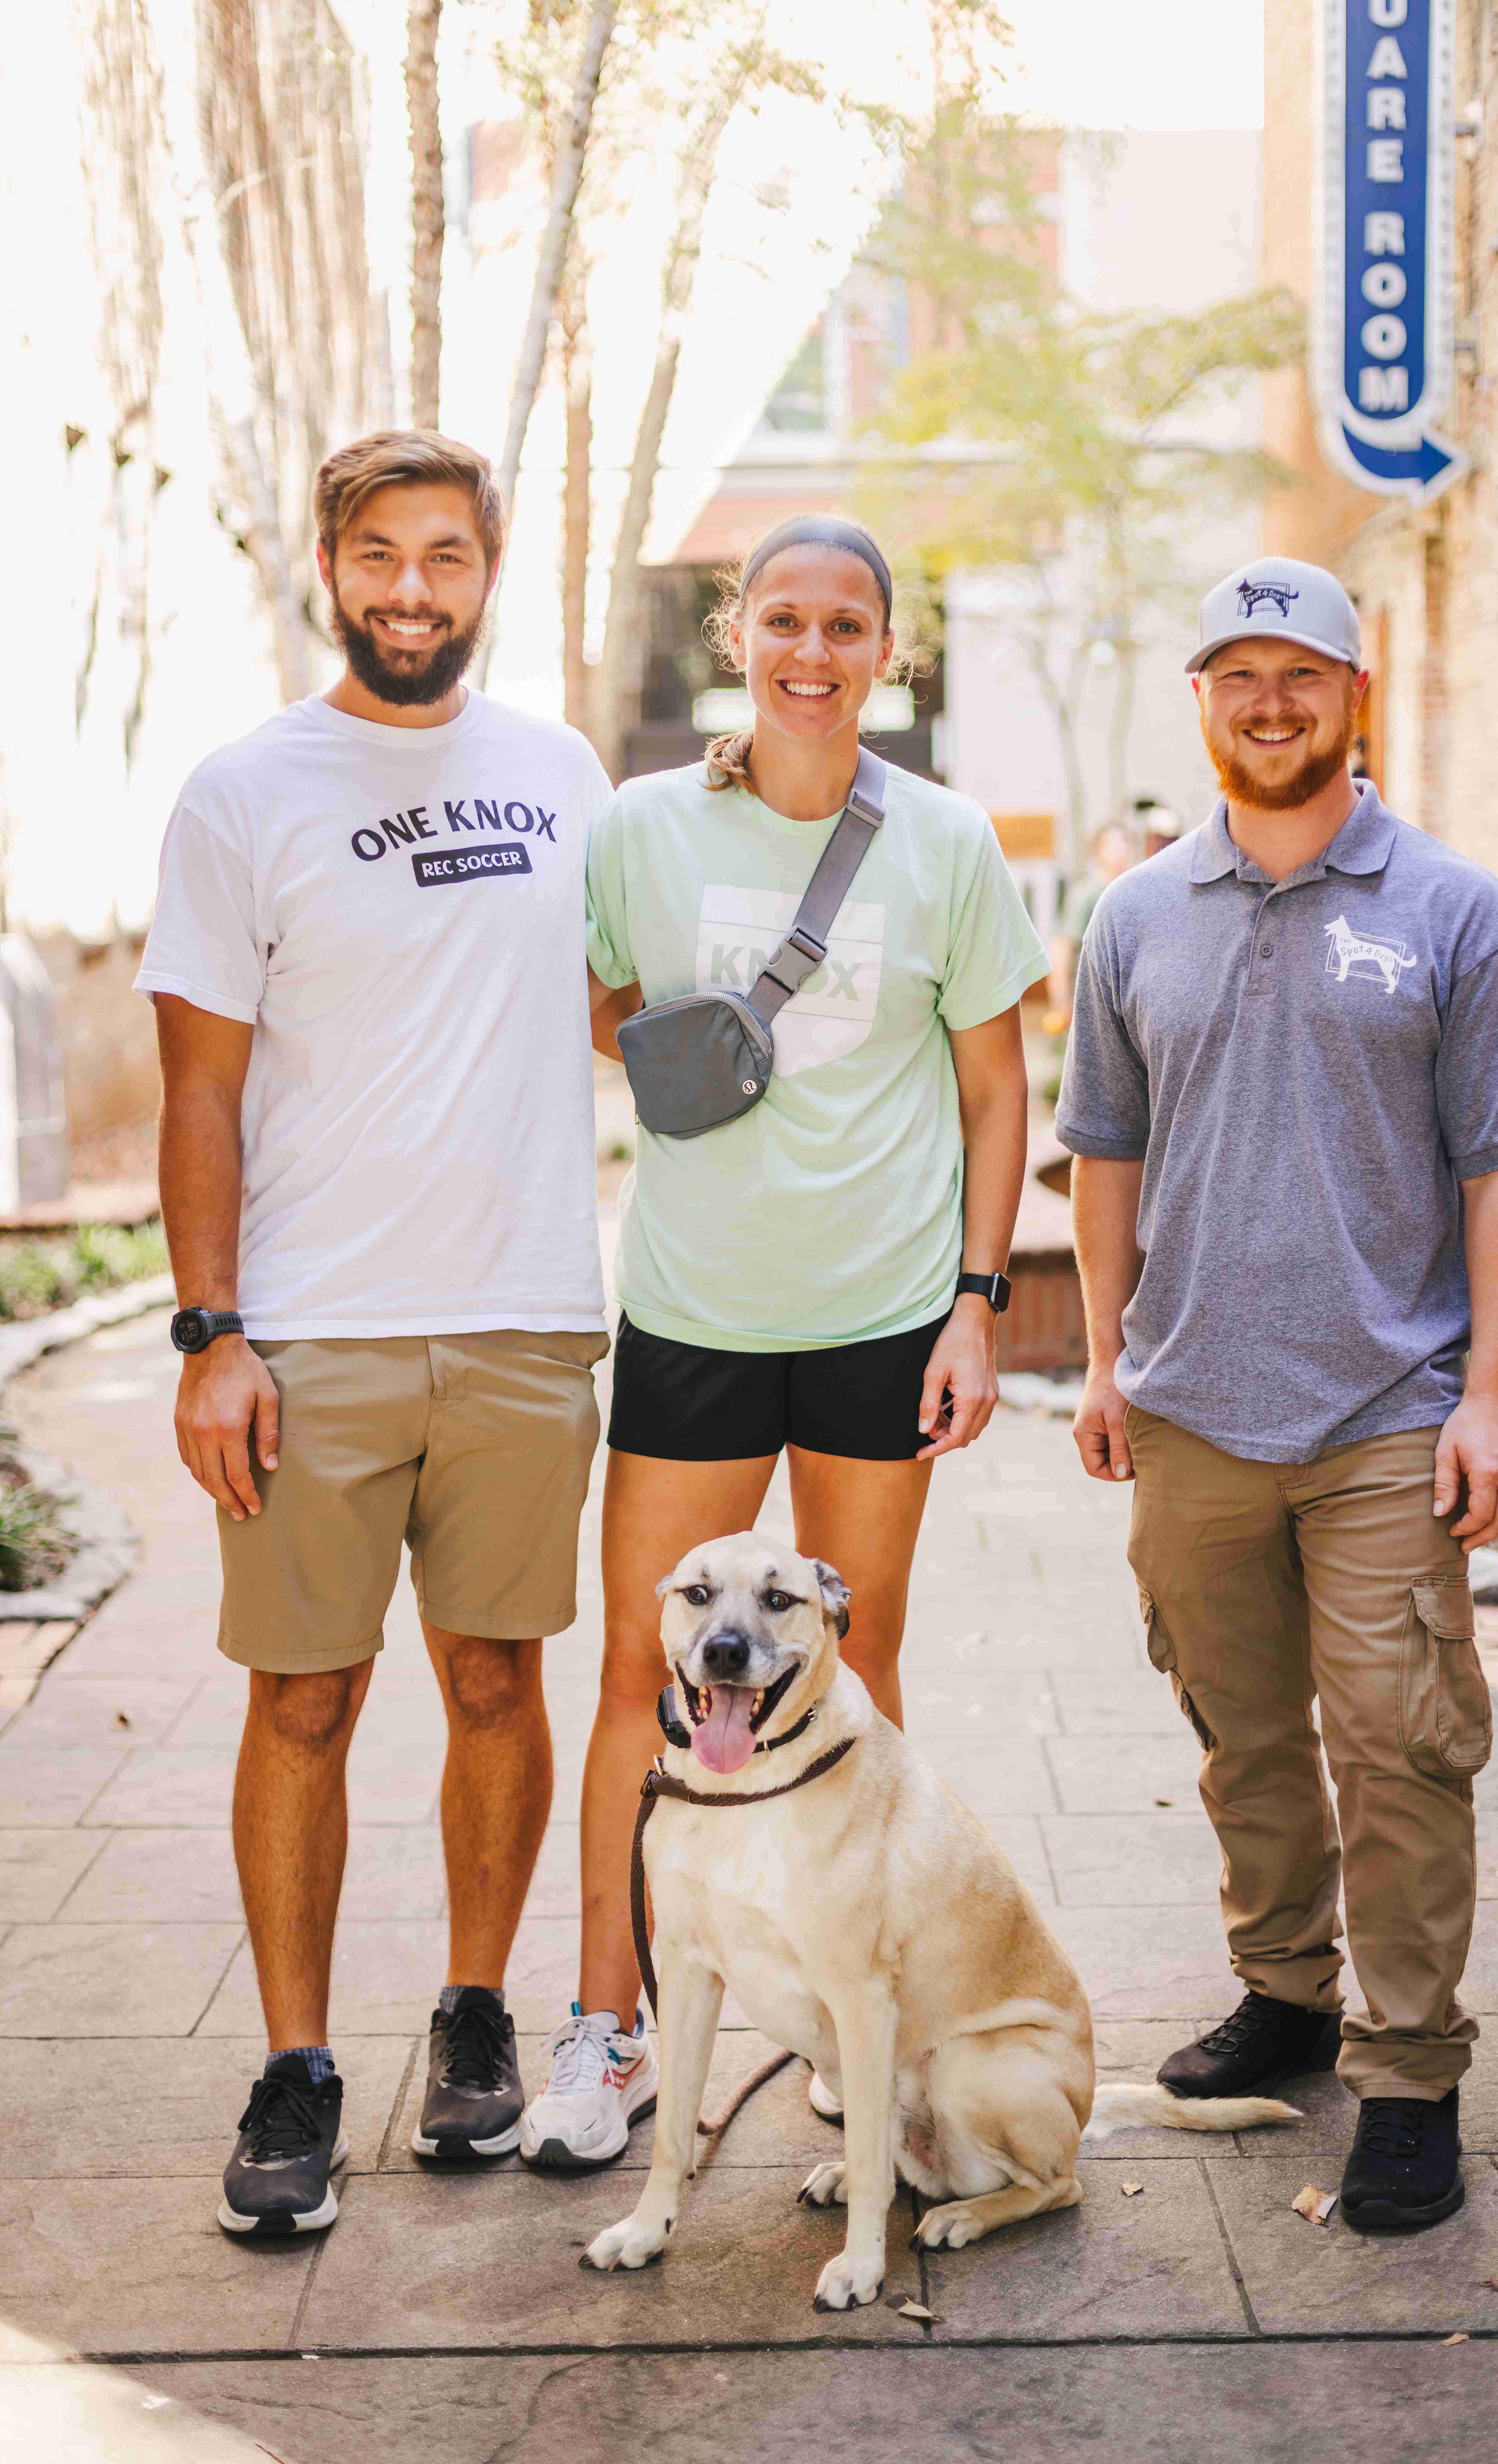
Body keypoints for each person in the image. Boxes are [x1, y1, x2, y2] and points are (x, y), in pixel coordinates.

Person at [518, 514, 1048, 2170]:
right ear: (734, 634)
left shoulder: (947, 841)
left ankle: (836, 2010)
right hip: (694, 1307)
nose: (811, 653)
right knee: (640, 1671)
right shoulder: (638, 830)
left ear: (887, 651)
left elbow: (989, 1083)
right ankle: (607, 2026)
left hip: (883, 1317)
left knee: (852, 1665)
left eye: (845, 627)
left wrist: (975, 1304)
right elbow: (595, 1009)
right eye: (783, 621)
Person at [1057, 555, 1498, 2233]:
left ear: (1353, 695)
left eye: (1300, 674)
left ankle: (1407, 2070)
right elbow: (1106, 1155)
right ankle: (1283, 1992)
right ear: (1200, 701)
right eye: (1235, 676)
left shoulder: (1447, 907)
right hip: (1195, 1407)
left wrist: (1488, 1398)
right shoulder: (1135, 913)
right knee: (1241, 1743)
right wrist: (1109, 1357)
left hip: (1383, 1411)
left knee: (1401, 1746)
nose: (1267, 703)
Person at [137, 431, 613, 2235]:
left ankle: (477, 2018)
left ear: (491, 573)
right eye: (379, 556)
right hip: (314, 1333)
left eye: (447, 558)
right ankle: (297, 2063)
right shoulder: (245, 790)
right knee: (306, 1700)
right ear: (329, 568)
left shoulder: (564, 772)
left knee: (497, 1679)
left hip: (521, 1318)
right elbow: (199, 1092)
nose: (412, 589)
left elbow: (621, 1001)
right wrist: (211, 1336)